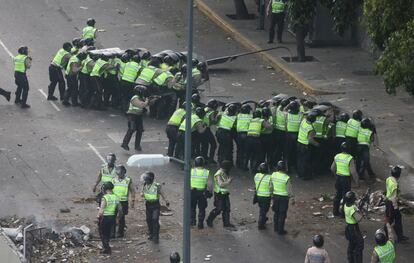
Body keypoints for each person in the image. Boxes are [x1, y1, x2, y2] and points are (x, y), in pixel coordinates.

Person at [121, 86, 154, 151]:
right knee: (131, 129)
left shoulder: (142, 98)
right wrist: (147, 100)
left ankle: (137, 146)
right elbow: (141, 105)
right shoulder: (135, 98)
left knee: (140, 130)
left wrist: (152, 100)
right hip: (132, 115)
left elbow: (147, 105)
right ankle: (124, 144)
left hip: (138, 116)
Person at [141, 171, 169, 244]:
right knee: (148, 220)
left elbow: (162, 193)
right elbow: (143, 192)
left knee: (155, 219)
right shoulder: (144, 184)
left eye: (146, 179)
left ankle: (156, 237)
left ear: (150, 179)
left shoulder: (157, 185)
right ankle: (151, 233)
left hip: (155, 205)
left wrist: (166, 200)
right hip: (148, 204)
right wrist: (142, 194)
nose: (145, 181)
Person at [331, 142, 358, 216]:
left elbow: (332, 168)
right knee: (346, 196)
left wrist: (336, 176)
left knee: (337, 195)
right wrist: (357, 182)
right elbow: (353, 172)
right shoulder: (350, 158)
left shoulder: (337, 156)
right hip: (346, 179)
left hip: (338, 178)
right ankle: (343, 213)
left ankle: (335, 212)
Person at [206, 160, 235, 228]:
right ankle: (209, 220)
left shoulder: (224, 172)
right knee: (219, 209)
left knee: (227, 209)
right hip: (219, 194)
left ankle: (226, 223)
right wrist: (228, 181)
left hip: (225, 193)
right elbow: (220, 184)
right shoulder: (218, 174)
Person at [97, 182, 123, 255]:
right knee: (108, 233)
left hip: (105, 217)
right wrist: (118, 218)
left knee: (102, 233)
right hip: (112, 217)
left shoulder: (105, 197)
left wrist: (98, 217)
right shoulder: (116, 197)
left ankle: (106, 249)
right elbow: (120, 210)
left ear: (105, 188)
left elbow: (101, 210)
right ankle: (107, 246)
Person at [385, 166, 409, 243]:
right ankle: (385, 236)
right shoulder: (395, 184)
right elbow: (393, 197)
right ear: (399, 175)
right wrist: (395, 207)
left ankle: (400, 236)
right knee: (390, 220)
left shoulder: (389, 179)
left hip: (389, 202)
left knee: (397, 219)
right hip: (391, 204)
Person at [111, 165, 135, 237]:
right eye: (118, 173)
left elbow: (132, 190)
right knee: (113, 216)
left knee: (121, 217)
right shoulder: (113, 180)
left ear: (124, 172)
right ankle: (112, 233)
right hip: (114, 201)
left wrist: (132, 200)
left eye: (121, 173)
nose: (120, 174)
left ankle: (120, 233)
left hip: (123, 201)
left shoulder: (128, 180)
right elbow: (110, 190)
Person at [271, 160, 293, 235]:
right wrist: (292, 198)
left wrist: (271, 195)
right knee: (282, 214)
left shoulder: (273, 175)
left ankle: (275, 227)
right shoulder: (286, 178)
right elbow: (289, 189)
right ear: (285, 168)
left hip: (275, 196)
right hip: (284, 198)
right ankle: (281, 230)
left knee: (276, 212)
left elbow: (271, 186)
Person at [191, 156, 213, 229]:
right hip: (202, 193)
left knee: (192, 207)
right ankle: (200, 223)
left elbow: (187, 182)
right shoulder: (206, 172)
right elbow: (209, 184)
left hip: (192, 192)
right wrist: (210, 192)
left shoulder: (192, 171)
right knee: (202, 208)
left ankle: (192, 221)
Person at [297, 112, 319, 180]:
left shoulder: (303, 121)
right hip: (305, 146)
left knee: (300, 160)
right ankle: (306, 176)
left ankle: (300, 174)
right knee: (306, 161)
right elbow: (310, 140)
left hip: (299, 142)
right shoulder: (310, 128)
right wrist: (317, 144)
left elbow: (304, 115)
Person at [344, 191, 364, 263]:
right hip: (353, 228)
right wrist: (361, 211)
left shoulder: (346, 205)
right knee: (359, 245)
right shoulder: (352, 209)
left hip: (348, 227)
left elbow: (355, 207)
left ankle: (350, 260)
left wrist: (358, 207)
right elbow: (359, 218)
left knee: (351, 243)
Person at [284, 101, 302, 171]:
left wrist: (289, 104)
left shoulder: (287, 115)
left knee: (288, 152)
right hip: (297, 135)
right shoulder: (300, 115)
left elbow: (284, 109)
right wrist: (299, 104)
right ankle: (295, 167)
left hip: (289, 135)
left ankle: (287, 168)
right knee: (296, 152)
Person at [254, 163, 272, 230]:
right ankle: (261, 224)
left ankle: (263, 218)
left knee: (262, 209)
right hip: (266, 197)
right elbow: (270, 187)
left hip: (259, 196)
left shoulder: (256, 175)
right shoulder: (270, 177)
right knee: (263, 211)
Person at [201, 99, 219, 164]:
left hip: (201, 128)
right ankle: (211, 159)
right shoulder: (212, 112)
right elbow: (213, 121)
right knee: (214, 144)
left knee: (204, 144)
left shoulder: (205, 109)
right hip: (206, 129)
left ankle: (204, 158)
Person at [236, 104, 252, 170]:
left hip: (239, 134)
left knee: (239, 150)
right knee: (246, 151)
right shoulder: (250, 116)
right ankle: (244, 166)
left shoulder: (239, 115)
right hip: (246, 134)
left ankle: (238, 163)